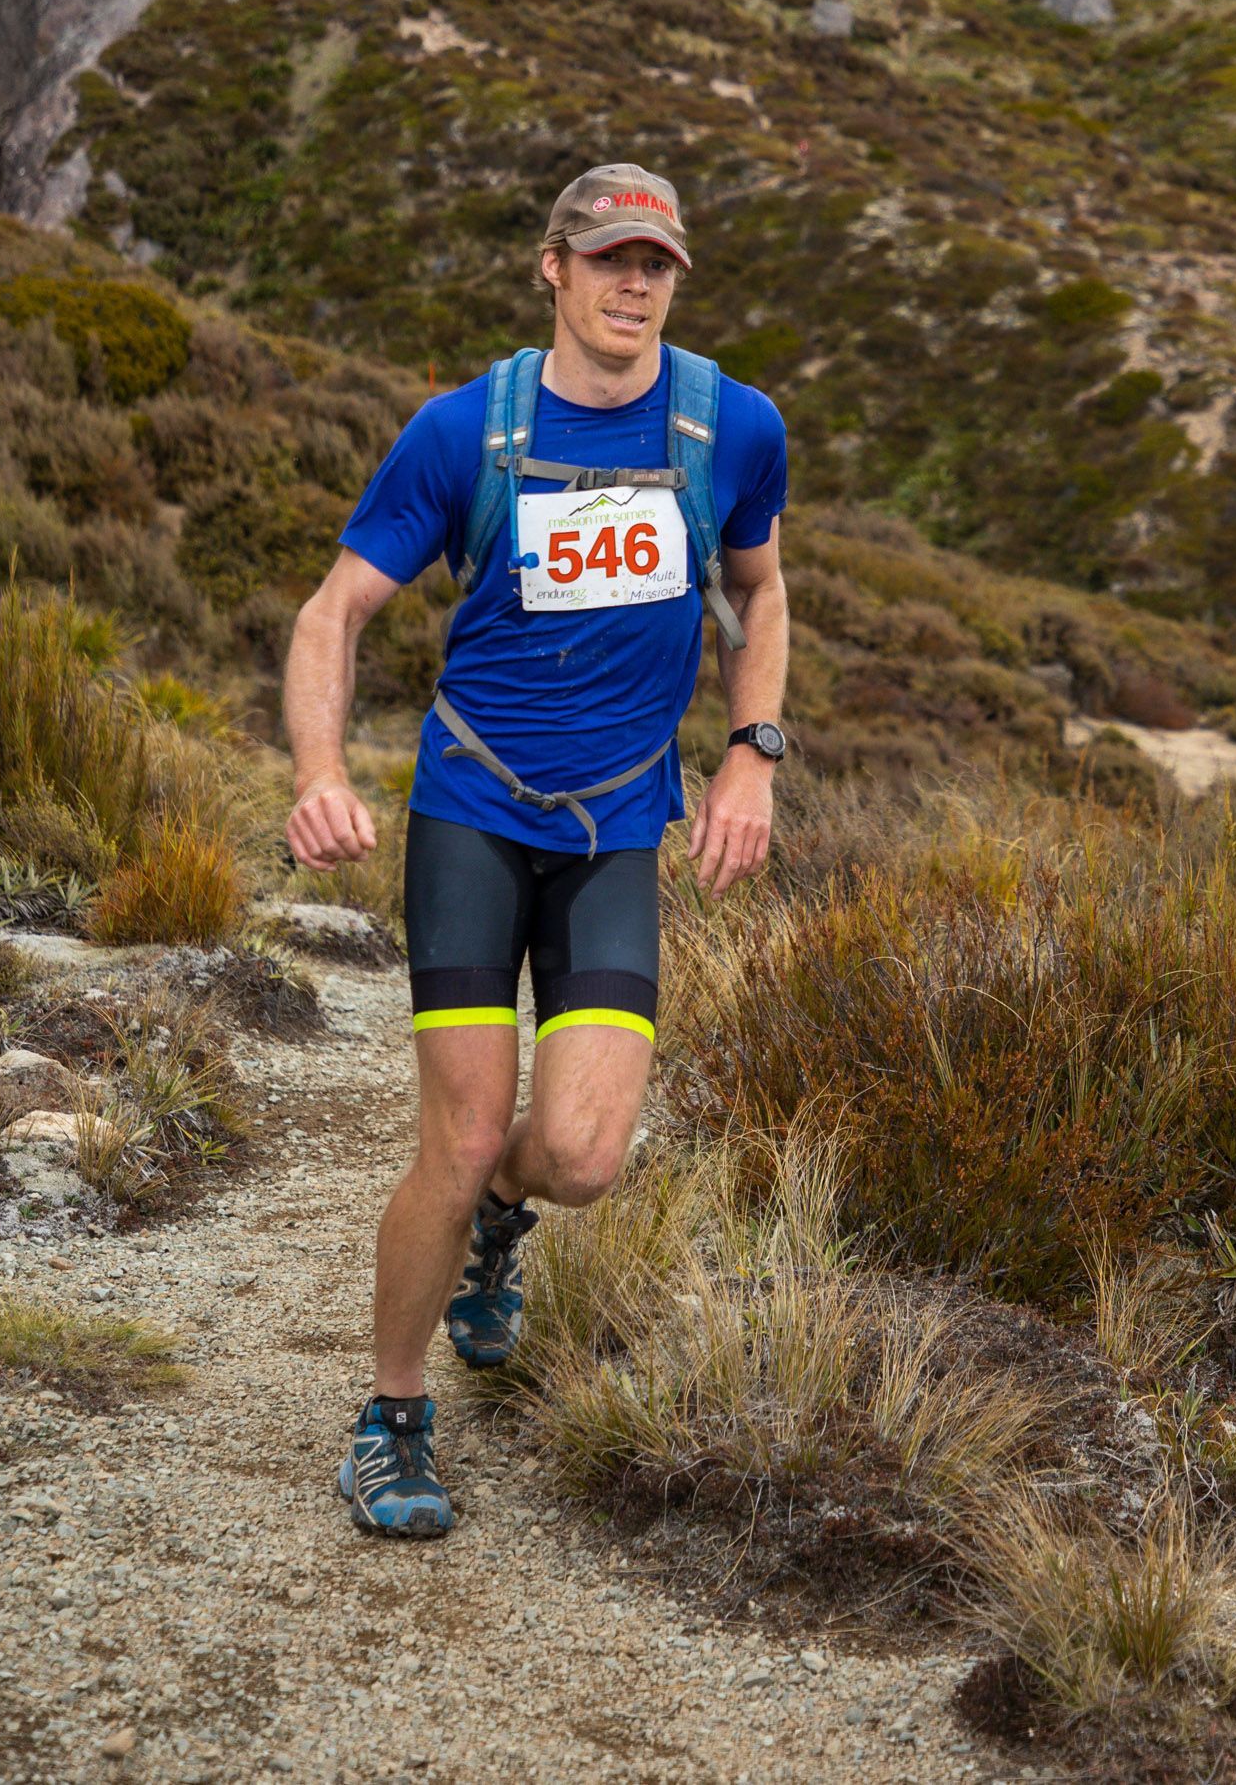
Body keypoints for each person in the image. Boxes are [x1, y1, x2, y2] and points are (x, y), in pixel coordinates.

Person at [282, 163, 790, 1539]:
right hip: (473, 813)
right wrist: (322, 773)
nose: (636, 284)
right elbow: (334, 615)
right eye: (610, 258)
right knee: (453, 1136)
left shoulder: (728, 429)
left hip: (621, 822)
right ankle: (390, 1419)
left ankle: (503, 1225)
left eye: (659, 265)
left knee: (578, 1154)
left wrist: (751, 750)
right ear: (552, 269)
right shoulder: (466, 434)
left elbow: (757, 586)